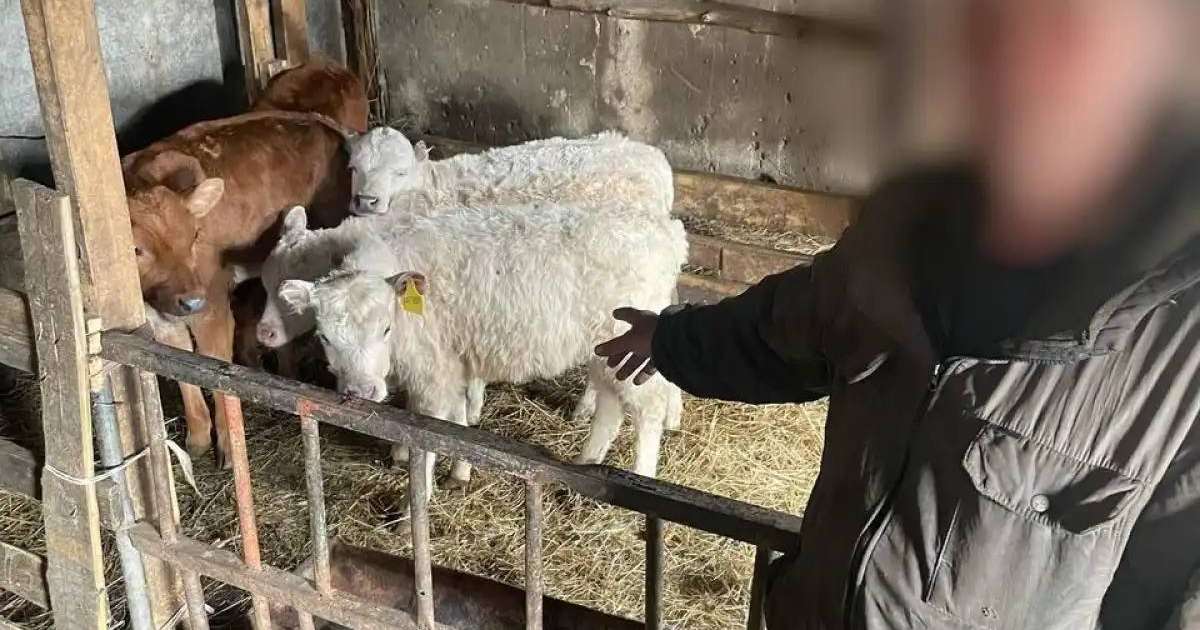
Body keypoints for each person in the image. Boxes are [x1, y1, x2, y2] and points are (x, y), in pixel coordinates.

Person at [596, 1, 1200, 628]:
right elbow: (784, 327)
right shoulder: (905, 236)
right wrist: (671, 339)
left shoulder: (1181, 358)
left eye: (1071, 34)